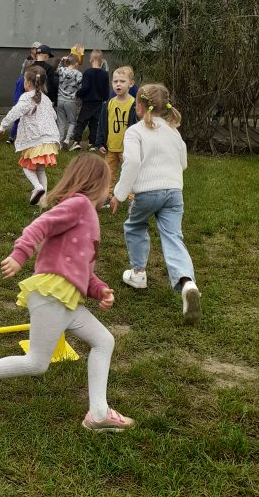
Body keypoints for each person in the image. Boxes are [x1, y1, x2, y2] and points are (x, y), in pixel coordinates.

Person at [0, 154, 134, 432]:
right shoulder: (79, 204)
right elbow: (40, 225)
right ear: (97, 182)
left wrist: (100, 290)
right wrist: (20, 254)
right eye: (108, 184)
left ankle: (98, 413)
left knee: (103, 341)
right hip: (52, 294)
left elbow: (83, 270)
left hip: (67, 299)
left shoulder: (87, 216)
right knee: (37, 363)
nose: (108, 191)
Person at [110, 83, 201, 324]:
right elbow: (183, 163)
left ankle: (138, 273)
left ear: (139, 107)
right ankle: (187, 283)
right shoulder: (173, 131)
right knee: (173, 236)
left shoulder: (135, 132)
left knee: (135, 226)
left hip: (147, 193)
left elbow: (131, 164)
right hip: (174, 192)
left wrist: (119, 194)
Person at [0, 66, 61, 204]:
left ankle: (38, 188)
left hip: (35, 139)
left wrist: (2, 126)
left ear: (28, 83)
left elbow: (15, 112)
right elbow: (54, 116)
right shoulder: (46, 99)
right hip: (49, 140)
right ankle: (43, 201)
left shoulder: (26, 97)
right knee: (41, 170)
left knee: (27, 166)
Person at [95, 67, 138, 202]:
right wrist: (100, 142)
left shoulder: (134, 104)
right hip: (111, 147)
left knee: (129, 173)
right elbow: (102, 123)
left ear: (131, 83)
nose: (118, 84)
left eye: (122, 81)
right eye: (115, 81)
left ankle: (132, 198)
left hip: (127, 148)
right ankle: (107, 196)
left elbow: (137, 127)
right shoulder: (109, 103)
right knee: (109, 172)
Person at [70, 49, 110, 150]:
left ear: (91, 60)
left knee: (81, 122)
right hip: (99, 103)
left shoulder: (87, 72)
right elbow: (106, 90)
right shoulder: (105, 74)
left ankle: (76, 141)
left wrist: (78, 93)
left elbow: (85, 87)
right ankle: (92, 143)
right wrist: (104, 98)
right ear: (102, 60)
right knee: (95, 123)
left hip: (88, 102)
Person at [56, 53, 84, 147]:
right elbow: (80, 87)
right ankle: (67, 139)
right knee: (72, 121)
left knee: (61, 122)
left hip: (60, 99)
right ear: (76, 63)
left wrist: (62, 60)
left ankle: (60, 141)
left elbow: (57, 69)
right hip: (71, 101)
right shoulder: (78, 74)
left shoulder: (62, 70)